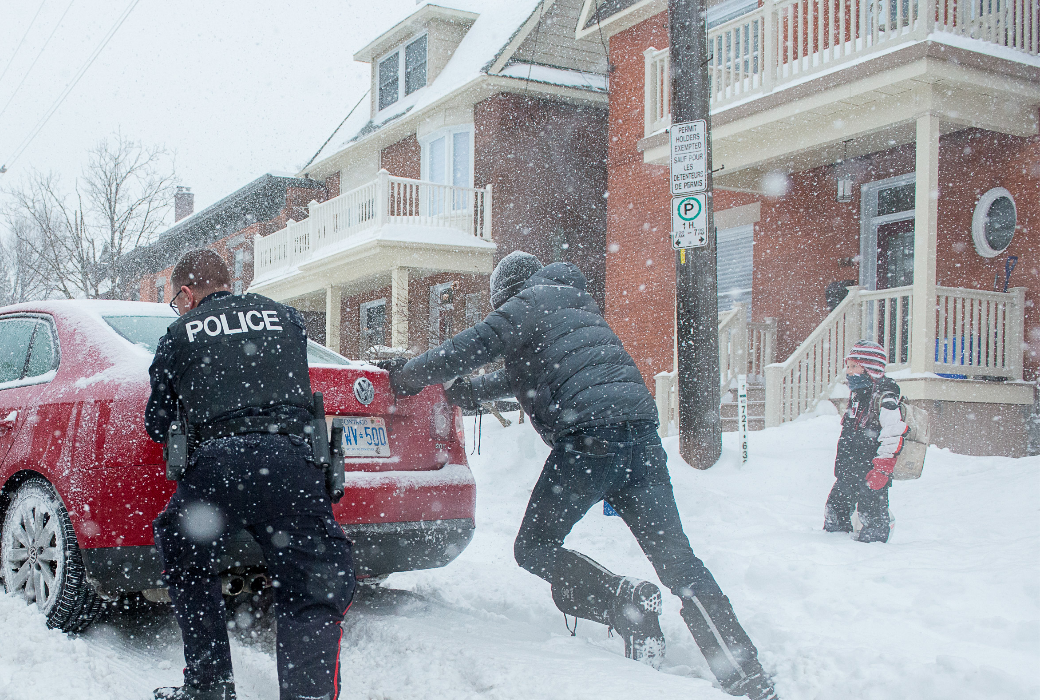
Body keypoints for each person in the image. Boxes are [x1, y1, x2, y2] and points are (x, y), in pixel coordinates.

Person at [382, 251, 780, 699]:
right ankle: (746, 675)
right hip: (643, 444)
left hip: (589, 444)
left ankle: (622, 601)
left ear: (506, 296)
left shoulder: (526, 305)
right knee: (679, 564)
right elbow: (522, 378)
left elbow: (469, 346)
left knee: (533, 547)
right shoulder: (574, 307)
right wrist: (465, 393)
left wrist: (407, 377)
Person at [145, 249, 356, 700]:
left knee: (185, 555)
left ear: (185, 294)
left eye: (175, 301)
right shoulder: (287, 319)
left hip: (218, 471)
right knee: (311, 585)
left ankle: (209, 686)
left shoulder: (179, 334)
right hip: (292, 465)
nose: (177, 309)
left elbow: (156, 423)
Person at [823, 340, 906, 543]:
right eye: (848, 366)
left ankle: (872, 556)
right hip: (849, 471)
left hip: (872, 473)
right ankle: (832, 549)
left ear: (870, 368)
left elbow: (894, 432)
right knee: (835, 512)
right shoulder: (858, 396)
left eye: (854, 366)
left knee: (872, 518)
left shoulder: (885, 397)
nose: (849, 372)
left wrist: (883, 468)